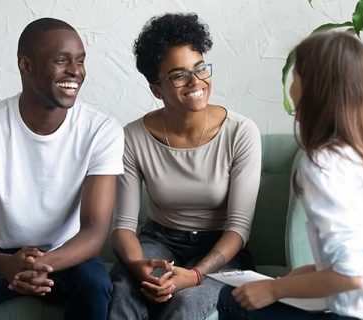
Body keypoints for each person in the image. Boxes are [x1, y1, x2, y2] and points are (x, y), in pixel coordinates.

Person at [217, 31, 363, 320]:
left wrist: (275, 289)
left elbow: (351, 275)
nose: (291, 86)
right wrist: (302, 277)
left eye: (296, 75)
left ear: (315, 87)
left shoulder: (326, 164)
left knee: (232, 300)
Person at [0, 17, 124, 319]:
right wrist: (5, 265)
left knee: (95, 284)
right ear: (26, 65)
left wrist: (39, 264)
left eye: (80, 61)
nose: (75, 71)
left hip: (66, 256)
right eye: (61, 60)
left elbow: (94, 230)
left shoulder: (102, 130)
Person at [107, 12, 261, 320]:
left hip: (221, 249)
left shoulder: (240, 132)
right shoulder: (133, 137)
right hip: (159, 240)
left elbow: (239, 228)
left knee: (186, 304)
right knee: (125, 289)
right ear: (156, 89)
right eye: (179, 75)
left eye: (200, 68)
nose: (196, 82)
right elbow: (123, 226)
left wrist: (196, 275)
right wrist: (139, 267)